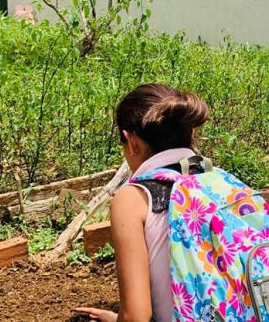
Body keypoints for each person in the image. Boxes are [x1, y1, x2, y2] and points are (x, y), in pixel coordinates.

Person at [74, 84, 213, 322]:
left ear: (131, 143)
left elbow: (136, 317)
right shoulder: (218, 182)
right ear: (190, 133)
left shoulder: (134, 199)